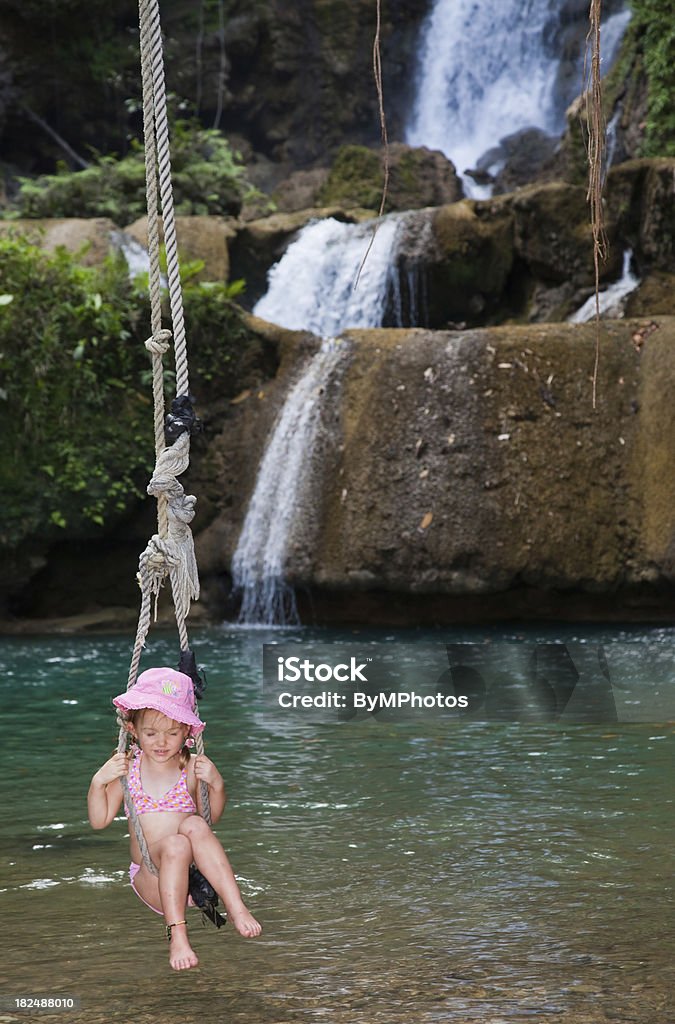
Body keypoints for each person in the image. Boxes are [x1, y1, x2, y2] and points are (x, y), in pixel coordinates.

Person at [87, 666, 262, 970]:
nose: (161, 742)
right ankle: (177, 935)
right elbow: (99, 820)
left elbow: (211, 820)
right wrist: (97, 782)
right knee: (176, 845)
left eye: (172, 733)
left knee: (193, 825)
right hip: (151, 877)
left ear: (187, 732)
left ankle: (237, 908)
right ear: (133, 730)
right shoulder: (126, 769)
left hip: (190, 879)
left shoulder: (191, 767)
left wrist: (217, 783)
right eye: (151, 733)